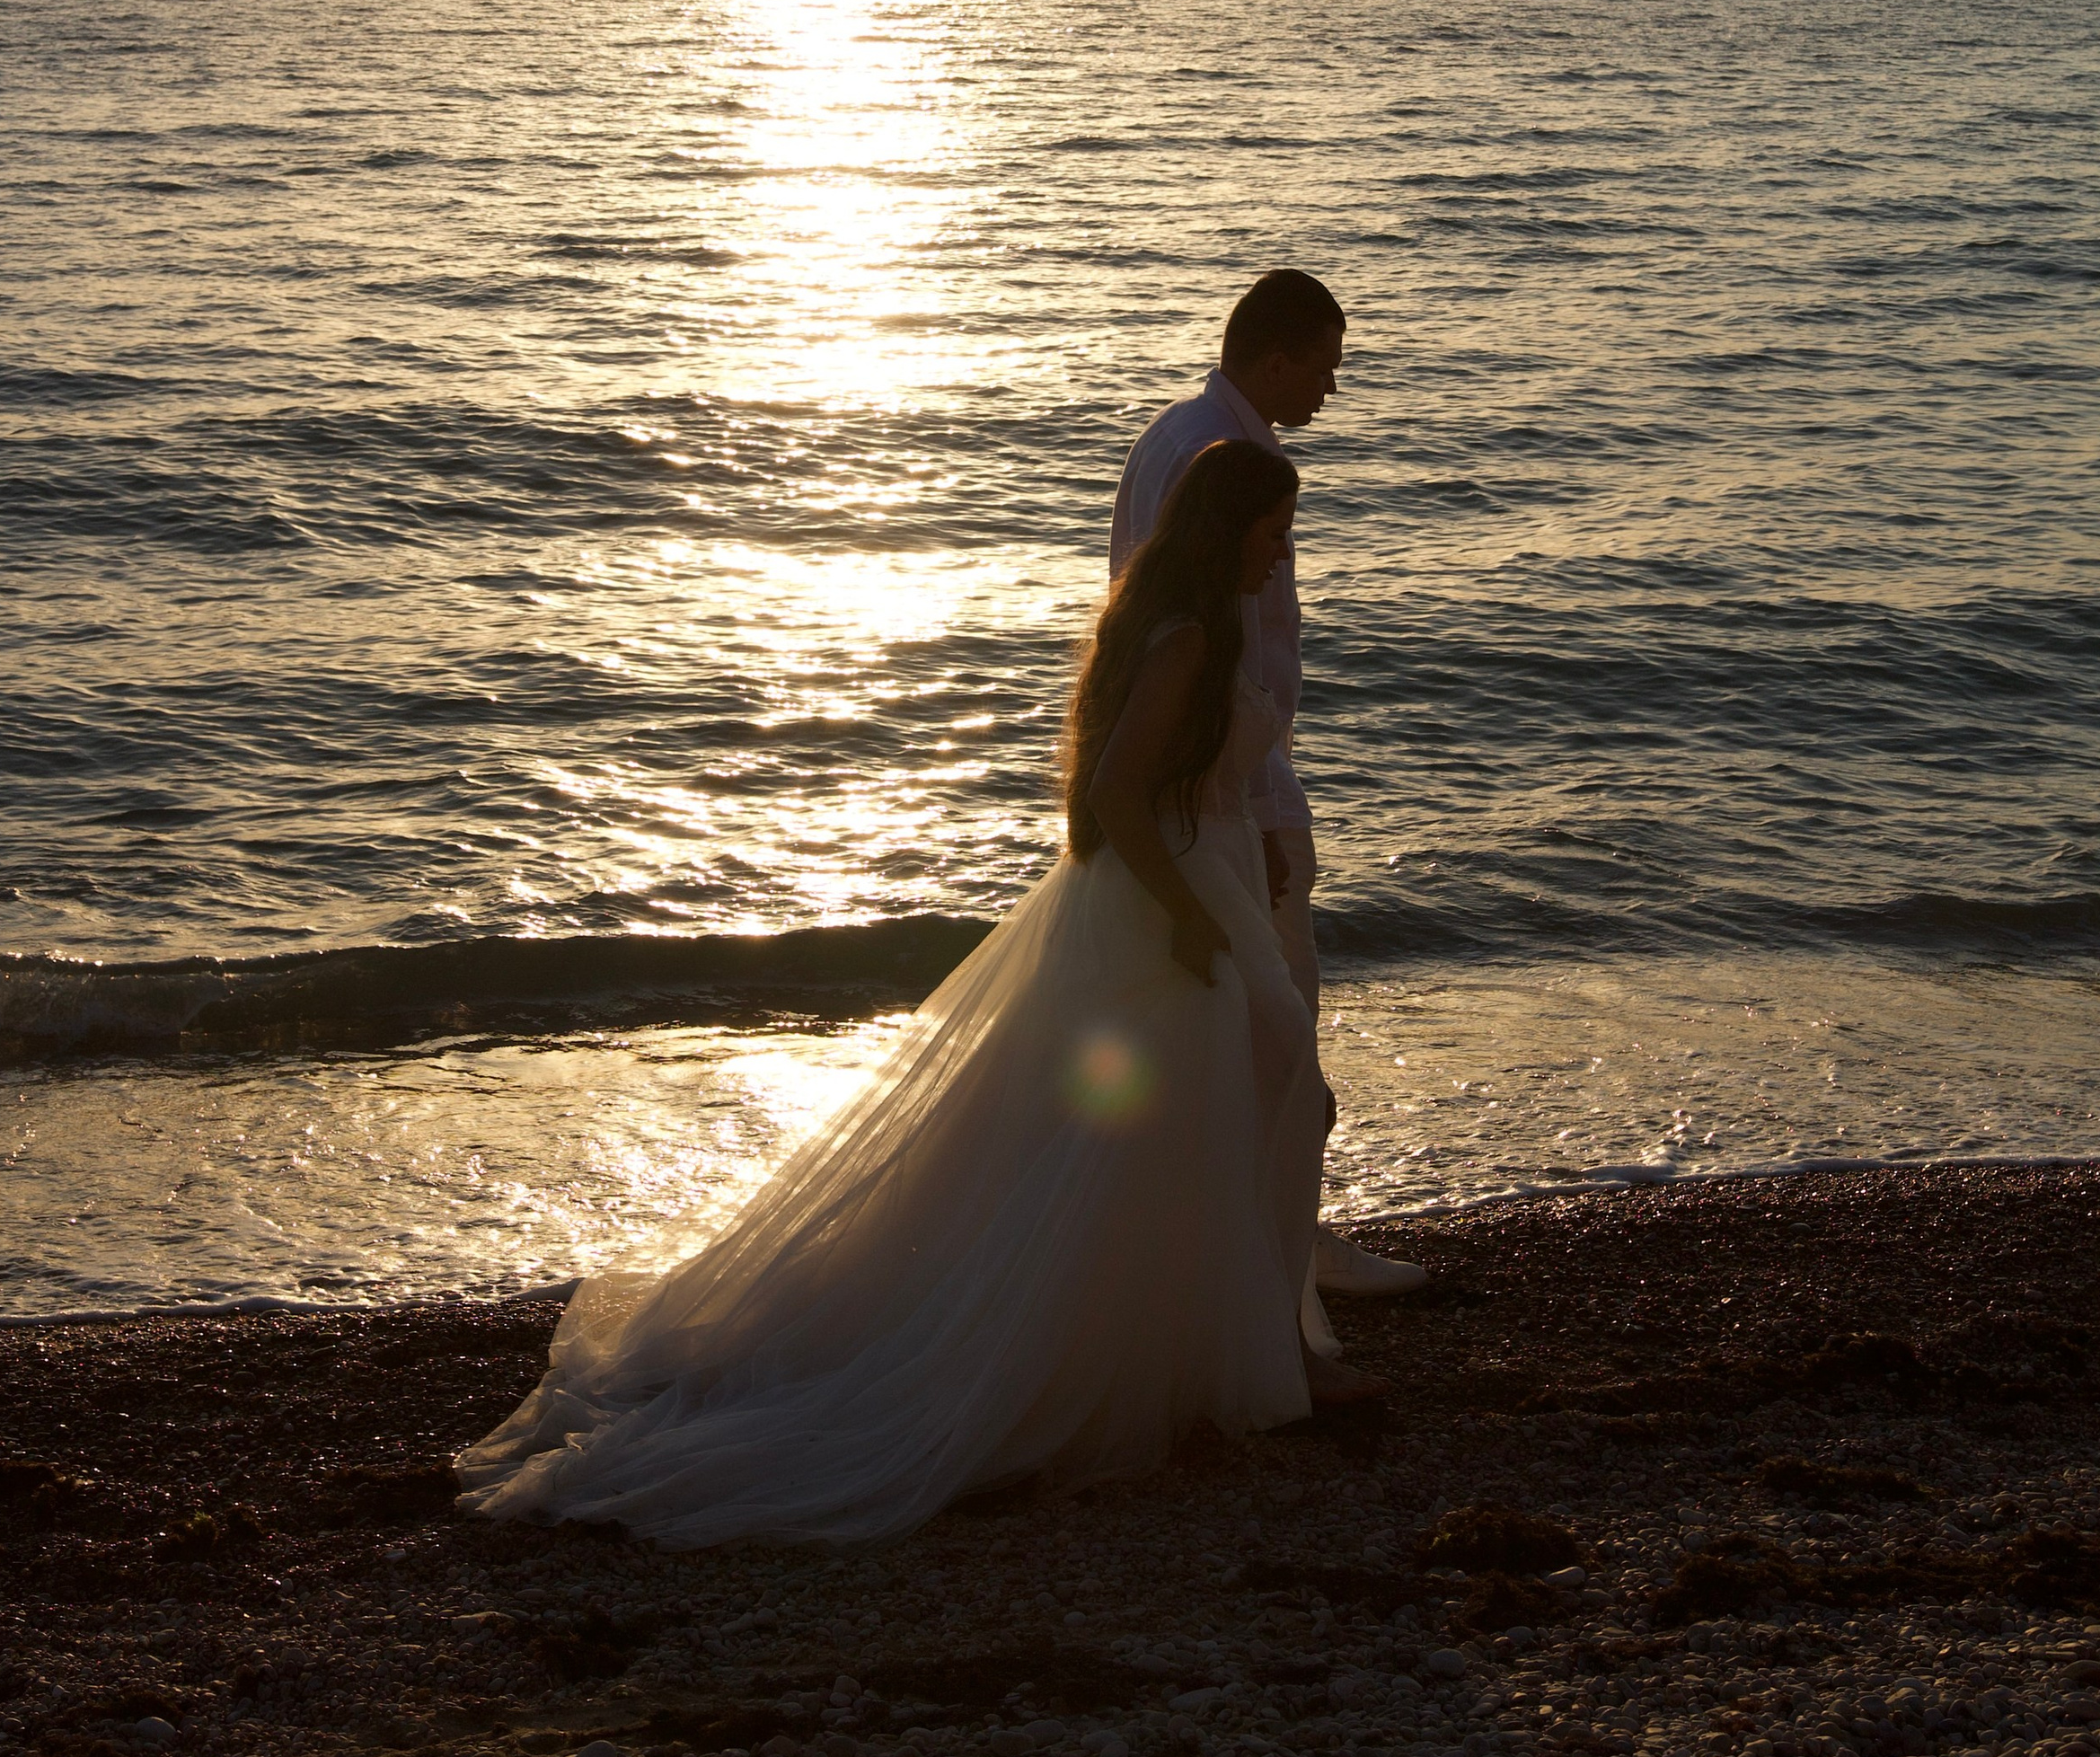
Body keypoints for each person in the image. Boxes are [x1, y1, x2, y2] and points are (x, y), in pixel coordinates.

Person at [454, 441, 1372, 1549]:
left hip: (1213, 888)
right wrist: (1186, 916)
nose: (1282, 558)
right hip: (1181, 906)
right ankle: (1260, 1365)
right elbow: (1113, 796)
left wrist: (1251, 859)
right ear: (1229, 532)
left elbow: (1185, 780)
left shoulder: (1198, 630)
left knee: (1244, 1112)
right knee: (1257, 1104)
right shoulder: (1181, 640)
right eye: (1274, 535)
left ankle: (1246, 1353)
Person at [1111, 269, 1427, 1302]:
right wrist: (1258, 812)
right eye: (1325, 368)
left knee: (1255, 1036)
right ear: (1276, 355)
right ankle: (1280, 1254)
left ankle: (1271, 1237)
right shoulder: (1213, 457)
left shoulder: (1208, 441)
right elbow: (1205, 656)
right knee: (1276, 1037)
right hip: (1225, 790)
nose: (1331, 390)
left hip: (1238, 778)